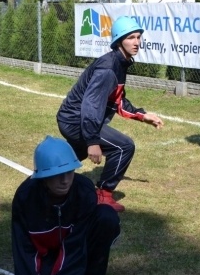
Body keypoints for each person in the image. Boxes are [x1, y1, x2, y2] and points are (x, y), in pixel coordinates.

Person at [56, 16, 164, 213]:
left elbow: (118, 100)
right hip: (75, 119)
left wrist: (143, 115)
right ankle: (103, 195)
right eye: (131, 37)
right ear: (119, 40)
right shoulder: (108, 69)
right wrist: (92, 141)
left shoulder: (120, 63)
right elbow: (91, 106)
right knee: (123, 147)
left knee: (73, 156)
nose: (137, 42)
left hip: (73, 118)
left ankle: (49, 176)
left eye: (139, 37)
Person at [12, 136, 121, 275]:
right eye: (56, 174)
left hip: (77, 250)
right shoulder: (26, 198)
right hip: (48, 256)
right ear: (42, 177)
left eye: (69, 172)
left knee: (106, 216)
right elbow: (24, 251)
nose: (64, 180)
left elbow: (74, 248)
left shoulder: (84, 191)